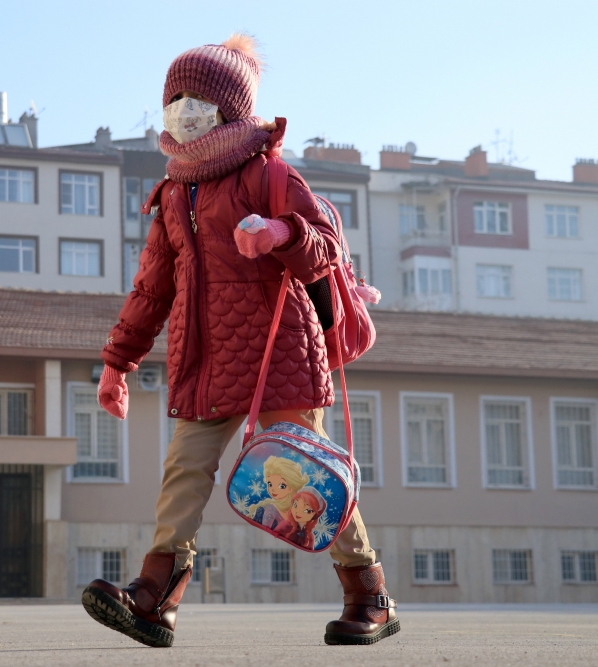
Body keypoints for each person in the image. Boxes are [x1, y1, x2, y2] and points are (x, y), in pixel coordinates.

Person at [81, 33, 397, 648]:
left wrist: (280, 232)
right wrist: (117, 363)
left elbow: (324, 249)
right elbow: (151, 290)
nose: (183, 110)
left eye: (196, 98)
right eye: (175, 99)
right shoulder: (174, 192)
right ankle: (155, 599)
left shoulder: (268, 174)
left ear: (229, 107)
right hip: (203, 358)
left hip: (279, 354)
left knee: (309, 476)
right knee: (184, 471)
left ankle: (369, 594)